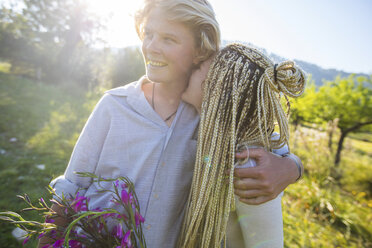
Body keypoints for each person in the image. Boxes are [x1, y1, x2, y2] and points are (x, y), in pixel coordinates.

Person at [39, 0, 303, 247]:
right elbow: (71, 187)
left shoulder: (212, 120)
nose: (151, 46)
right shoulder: (114, 105)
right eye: (148, 34)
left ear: (200, 49)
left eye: (169, 39)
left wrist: (291, 167)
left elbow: (269, 148)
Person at [179, 43, 305, 247]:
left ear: (215, 88)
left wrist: (293, 166)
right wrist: (295, 165)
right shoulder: (209, 134)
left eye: (197, 68)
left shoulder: (248, 166)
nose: (188, 70)